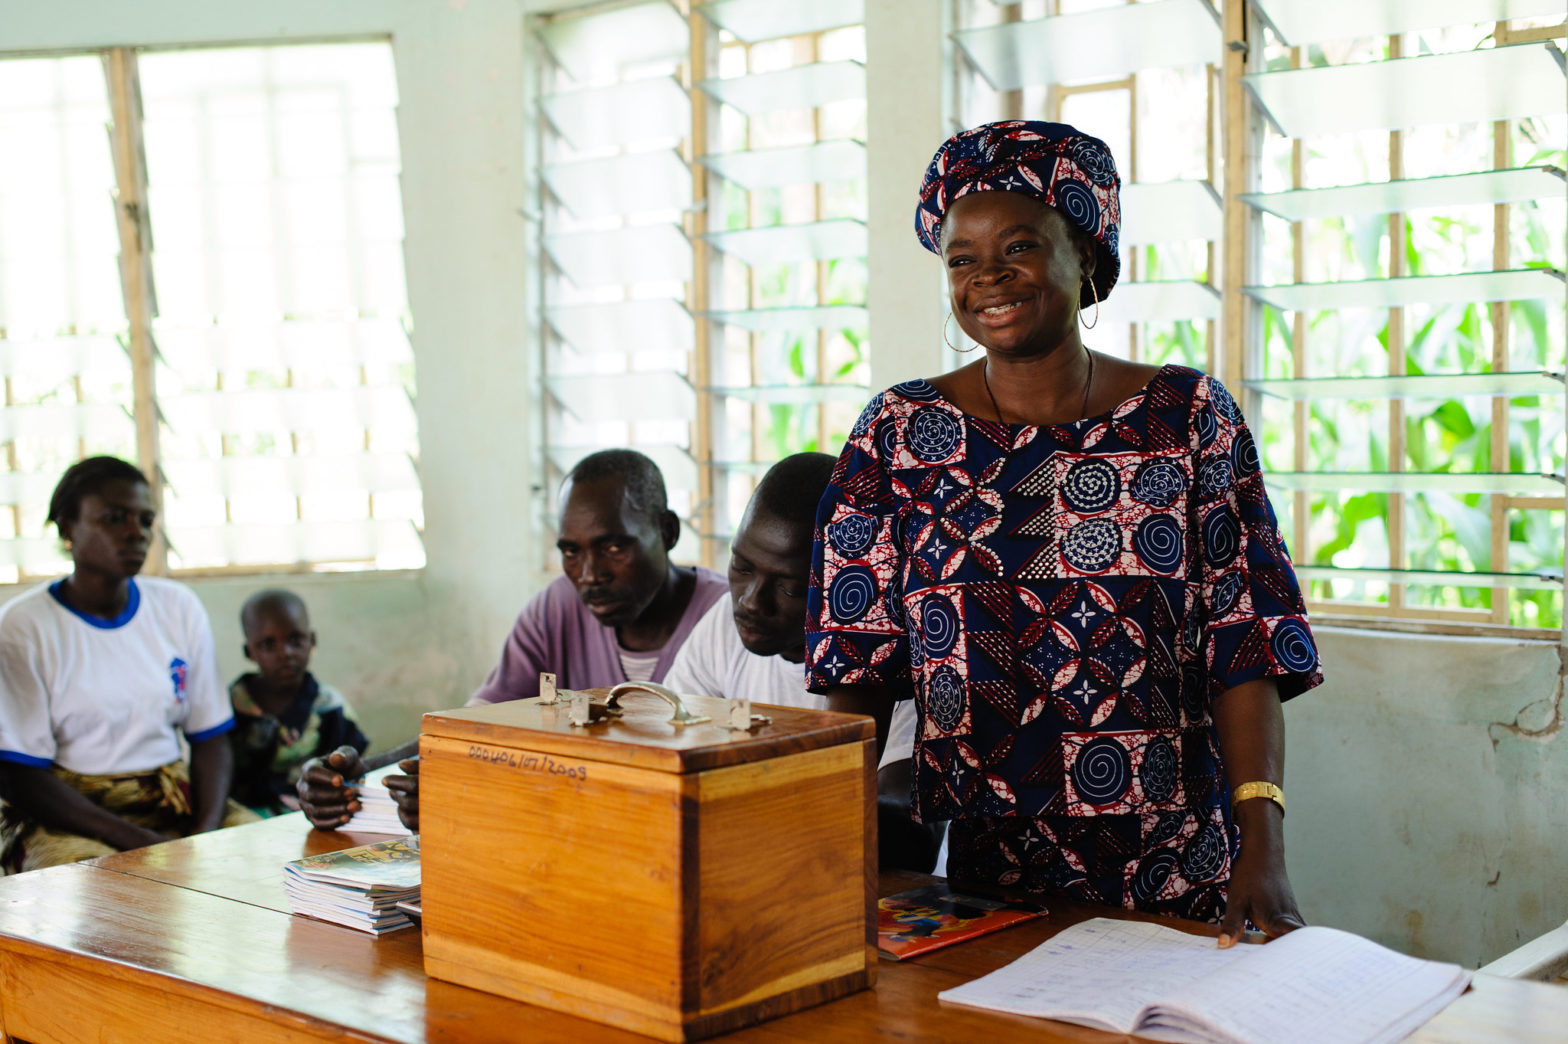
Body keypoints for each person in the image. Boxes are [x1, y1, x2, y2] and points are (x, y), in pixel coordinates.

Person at [807, 121, 1323, 946]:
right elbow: (858, 663)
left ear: (1086, 255)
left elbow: (1247, 641)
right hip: (985, 880)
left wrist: (1266, 842)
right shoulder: (898, 436)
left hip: (1177, 870)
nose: (988, 278)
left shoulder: (1186, 420)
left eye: (1019, 246)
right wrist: (824, 849)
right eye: (961, 259)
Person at [296, 448, 726, 831]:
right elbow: (476, 727)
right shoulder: (556, 609)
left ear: (667, 532)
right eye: (571, 552)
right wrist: (356, 775)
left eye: (614, 547)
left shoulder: (727, 621)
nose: (590, 575)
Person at [661, 454, 936, 871]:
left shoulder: (899, 659)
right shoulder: (722, 623)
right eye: (741, 566)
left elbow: (908, 830)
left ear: (844, 585)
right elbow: (661, 745)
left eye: (788, 588)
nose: (751, 600)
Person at [0, 456, 255, 874]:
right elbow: (21, 777)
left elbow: (210, 739)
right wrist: (146, 845)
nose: (136, 532)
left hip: (171, 796)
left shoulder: (177, 608)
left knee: (257, 854)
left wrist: (207, 834)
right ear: (68, 528)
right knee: (89, 882)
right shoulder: (24, 627)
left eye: (145, 519)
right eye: (114, 518)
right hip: (68, 812)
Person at [228, 589, 368, 815]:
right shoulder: (230, 707)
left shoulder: (329, 706)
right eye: (268, 645)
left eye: (295, 640)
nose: (285, 653)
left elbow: (352, 769)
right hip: (244, 819)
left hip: (315, 814)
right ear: (249, 652)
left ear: (312, 640)